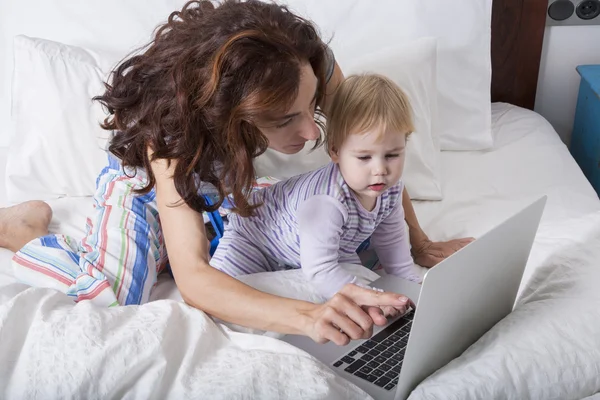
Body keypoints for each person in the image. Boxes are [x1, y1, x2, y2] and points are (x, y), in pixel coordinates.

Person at [0, 0, 471, 345]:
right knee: (111, 295)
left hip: (228, 186)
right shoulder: (170, 139)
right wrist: (308, 317)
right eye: (287, 119)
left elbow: (368, 143)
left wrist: (419, 242)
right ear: (226, 111)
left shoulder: (308, 63)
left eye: (312, 108)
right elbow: (195, 278)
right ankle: (24, 232)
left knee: (343, 232)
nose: (311, 133)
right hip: (147, 190)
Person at [211, 74, 421, 308]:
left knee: (357, 274)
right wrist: (371, 299)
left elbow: (393, 247)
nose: (380, 170)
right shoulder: (327, 202)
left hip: (307, 248)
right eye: (364, 157)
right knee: (218, 298)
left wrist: (414, 290)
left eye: (392, 155)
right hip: (254, 236)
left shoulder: (391, 192)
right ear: (335, 151)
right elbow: (322, 271)